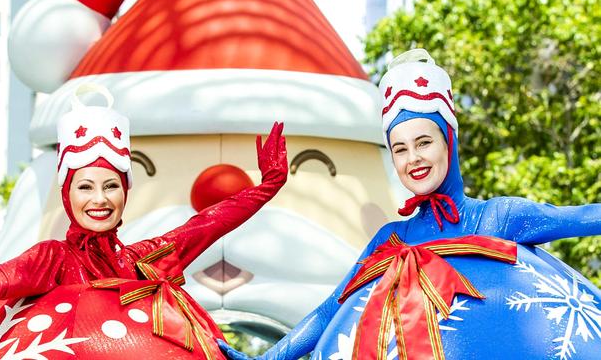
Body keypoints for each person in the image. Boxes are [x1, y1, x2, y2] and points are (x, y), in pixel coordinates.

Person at [218, 49, 601, 360]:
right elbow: (330, 311)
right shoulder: (391, 239)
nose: (412, 158)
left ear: (449, 140)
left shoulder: (498, 217)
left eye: (424, 142)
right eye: (399, 149)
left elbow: (584, 217)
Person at [0, 84, 288, 357]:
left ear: (125, 192)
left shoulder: (146, 261)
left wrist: (268, 187)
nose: (99, 199)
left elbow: (208, 223)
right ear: (67, 194)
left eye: (111, 186)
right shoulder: (52, 259)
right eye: (85, 187)